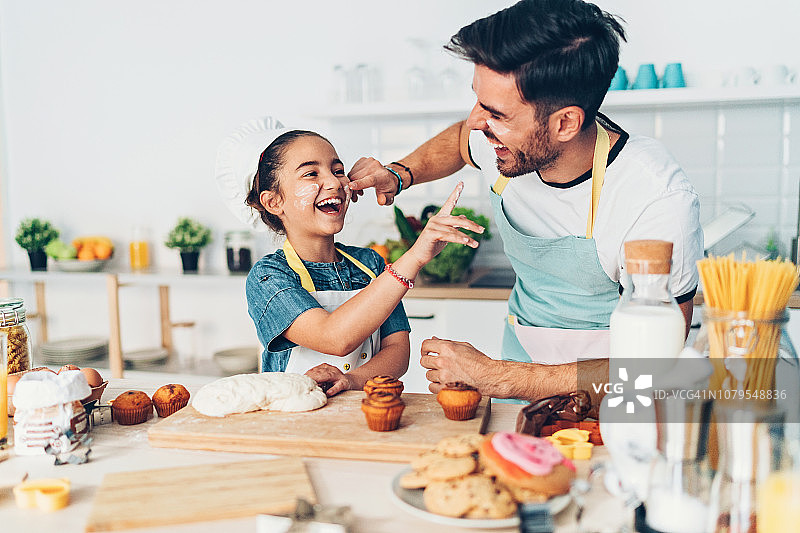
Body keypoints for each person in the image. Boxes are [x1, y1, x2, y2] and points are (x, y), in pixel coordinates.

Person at [346, 0, 703, 404]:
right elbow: (459, 142)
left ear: (565, 123)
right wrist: (400, 173)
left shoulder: (653, 197)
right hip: (518, 374)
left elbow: (654, 369)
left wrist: (498, 377)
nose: (477, 122)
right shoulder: (505, 144)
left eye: (496, 113)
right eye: (478, 101)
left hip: (617, 405)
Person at [241, 129, 484, 396]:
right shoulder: (269, 276)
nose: (333, 182)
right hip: (293, 419)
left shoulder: (369, 262)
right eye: (311, 173)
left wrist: (351, 380)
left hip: (365, 410)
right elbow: (333, 337)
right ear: (274, 201)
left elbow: (398, 351)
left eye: (337, 170)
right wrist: (415, 256)